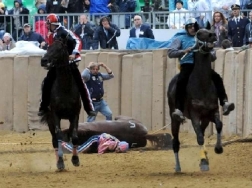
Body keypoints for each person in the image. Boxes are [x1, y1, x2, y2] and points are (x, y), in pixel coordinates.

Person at [168, 18, 235, 122]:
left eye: (193, 26)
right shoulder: (180, 39)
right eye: (189, 27)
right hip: (187, 65)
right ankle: (179, 109)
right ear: (186, 28)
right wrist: (183, 51)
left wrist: (211, 53)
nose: (192, 28)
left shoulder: (202, 38)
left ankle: (224, 102)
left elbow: (212, 53)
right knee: (181, 81)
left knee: (217, 78)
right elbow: (170, 53)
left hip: (203, 67)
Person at [38, 13, 96, 117]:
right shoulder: (50, 35)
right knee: (47, 82)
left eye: (48, 24)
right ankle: (43, 107)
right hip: (57, 65)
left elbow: (78, 41)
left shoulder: (65, 32)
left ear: (53, 24)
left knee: (81, 84)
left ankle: (89, 108)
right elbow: (51, 49)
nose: (47, 26)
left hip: (70, 64)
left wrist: (74, 53)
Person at [61, 133, 129, 154]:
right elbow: (101, 148)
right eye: (119, 149)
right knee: (79, 150)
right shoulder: (112, 144)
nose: (118, 151)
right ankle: (64, 144)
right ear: (118, 145)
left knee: (83, 148)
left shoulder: (116, 142)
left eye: (120, 151)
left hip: (97, 140)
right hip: (95, 140)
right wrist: (102, 152)